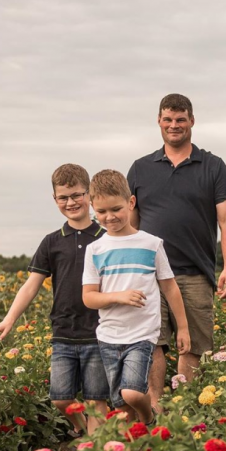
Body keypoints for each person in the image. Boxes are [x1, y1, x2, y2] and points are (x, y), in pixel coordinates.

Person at [127, 93, 226, 409]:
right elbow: (130, 223)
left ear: (191, 121)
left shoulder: (213, 166)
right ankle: (159, 413)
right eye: (168, 119)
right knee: (153, 345)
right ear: (159, 122)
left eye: (180, 119)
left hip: (194, 273)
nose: (174, 125)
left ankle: (188, 411)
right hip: (149, 275)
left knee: (192, 347)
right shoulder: (139, 169)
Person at [0, 164, 108, 436]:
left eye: (77, 195)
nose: (71, 202)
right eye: (63, 197)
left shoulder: (106, 237)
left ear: (89, 194)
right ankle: (80, 431)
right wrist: (9, 320)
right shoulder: (52, 242)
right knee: (60, 398)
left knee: (96, 399)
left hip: (99, 332)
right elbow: (31, 286)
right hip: (63, 332)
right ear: (55, 200)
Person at [82, 169, 190, 425]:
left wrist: (183, 327)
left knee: (131, 392)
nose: (109, 217)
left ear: (131, 203)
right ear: (93, 209)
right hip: (109, 336)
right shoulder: (95, 249)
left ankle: (148, 415)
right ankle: (135, 449)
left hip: (142, 333)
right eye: (101, 212)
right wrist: (118, 296)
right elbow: (89, 298)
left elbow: (170, 287)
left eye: (116, 209)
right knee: (120, 407)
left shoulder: (151, 244)